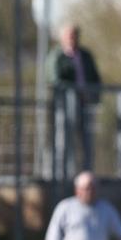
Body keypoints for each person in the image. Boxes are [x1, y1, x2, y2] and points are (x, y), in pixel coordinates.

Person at [46, 23, 102, 169]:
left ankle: (87, 173)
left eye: (74, 35)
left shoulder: (85, 55)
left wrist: (94, 96)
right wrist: (74, 92)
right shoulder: (57, 56)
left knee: (87, 142)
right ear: (62, 38)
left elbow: (96, 78)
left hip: (86, 104)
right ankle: (61, 174)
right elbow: (54, 79)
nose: (72, 38)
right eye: (69, 35)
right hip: (65, 105)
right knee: (64, 142)